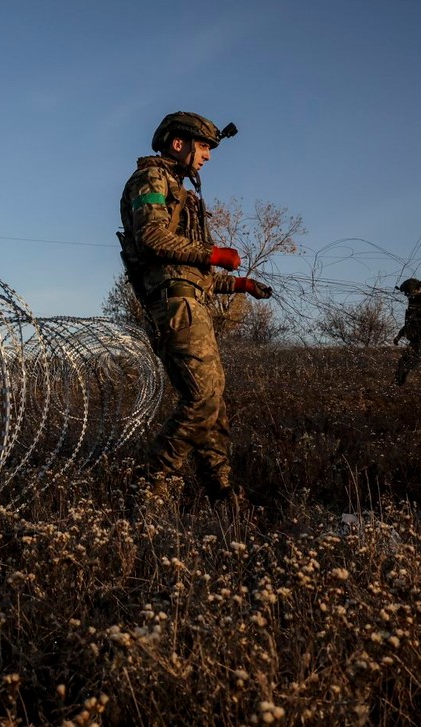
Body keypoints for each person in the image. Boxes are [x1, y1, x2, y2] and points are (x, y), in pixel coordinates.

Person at [116, 111, 272, 508]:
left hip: (191, 299)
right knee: (202, 397)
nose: (207, 156)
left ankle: (220, 489)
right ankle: (149, 484)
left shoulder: (180, 192)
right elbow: (152, 237)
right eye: (203, 146)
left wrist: (239, 284)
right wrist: (215, 254)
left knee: (214, 400)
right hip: (175, 305)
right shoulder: (150, 180)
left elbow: (193, 268)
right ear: (178, 143)